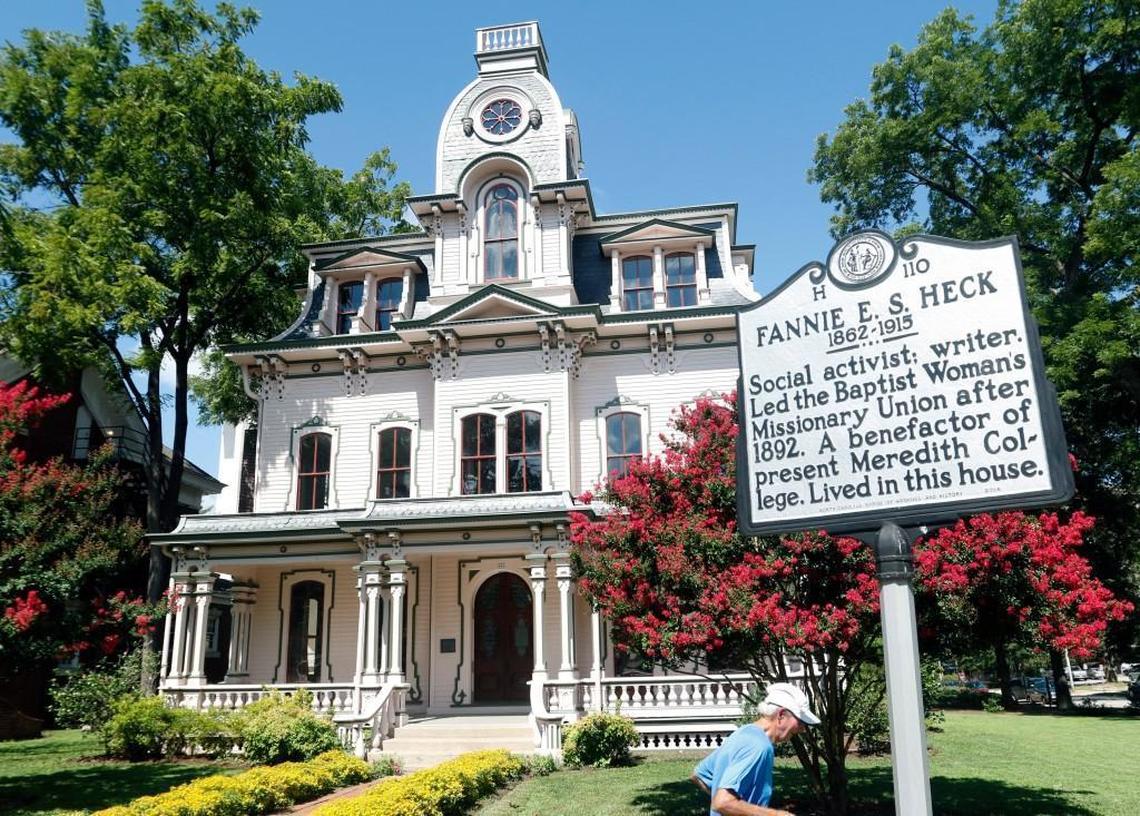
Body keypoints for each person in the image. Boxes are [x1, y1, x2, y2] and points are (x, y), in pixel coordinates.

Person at [691, 682, 820, 816]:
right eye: (800, 722)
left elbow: (699, 775)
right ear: (781, 715)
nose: (803, 729)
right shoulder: (759, 746)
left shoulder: (743, 733)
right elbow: (722, 802)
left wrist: (734, 808)